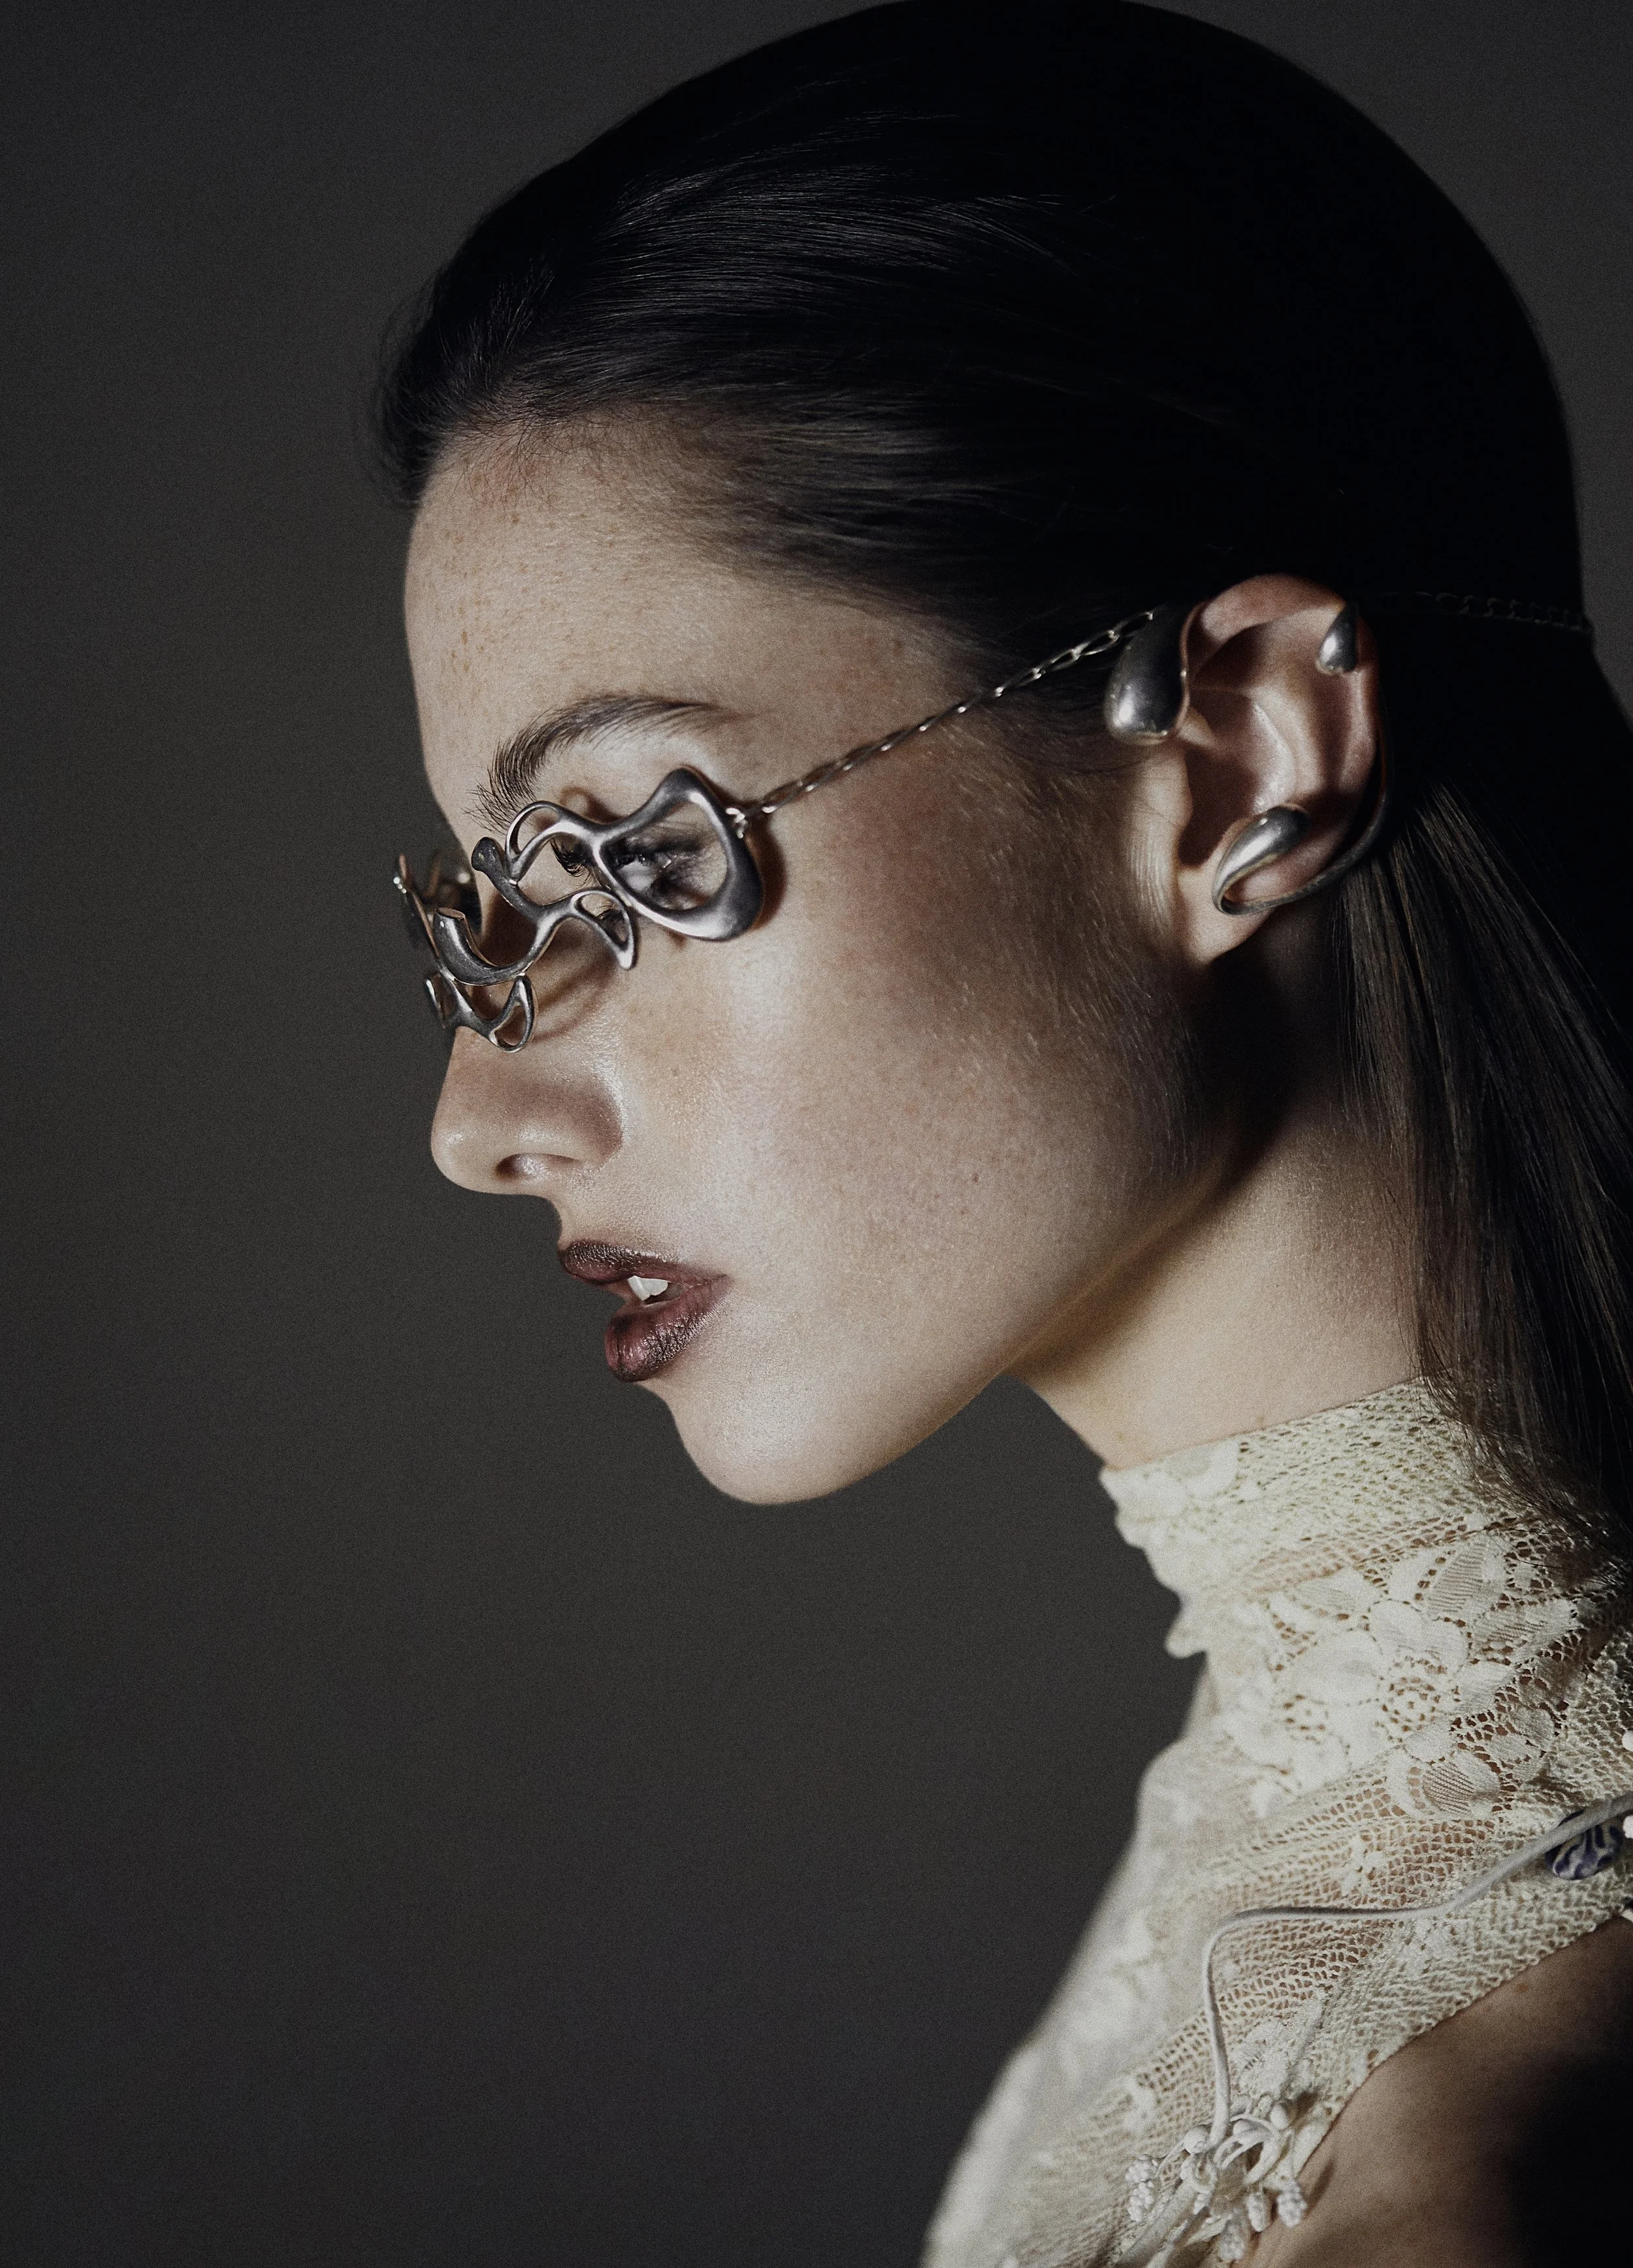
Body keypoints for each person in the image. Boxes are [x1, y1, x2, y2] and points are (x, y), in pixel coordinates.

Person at [375, 5, 1633, 2260]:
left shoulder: (1455, 2175)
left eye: (632, 861)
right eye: (490, 922)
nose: (485, 1117)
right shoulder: (1294, 1854)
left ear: (1238, 759)